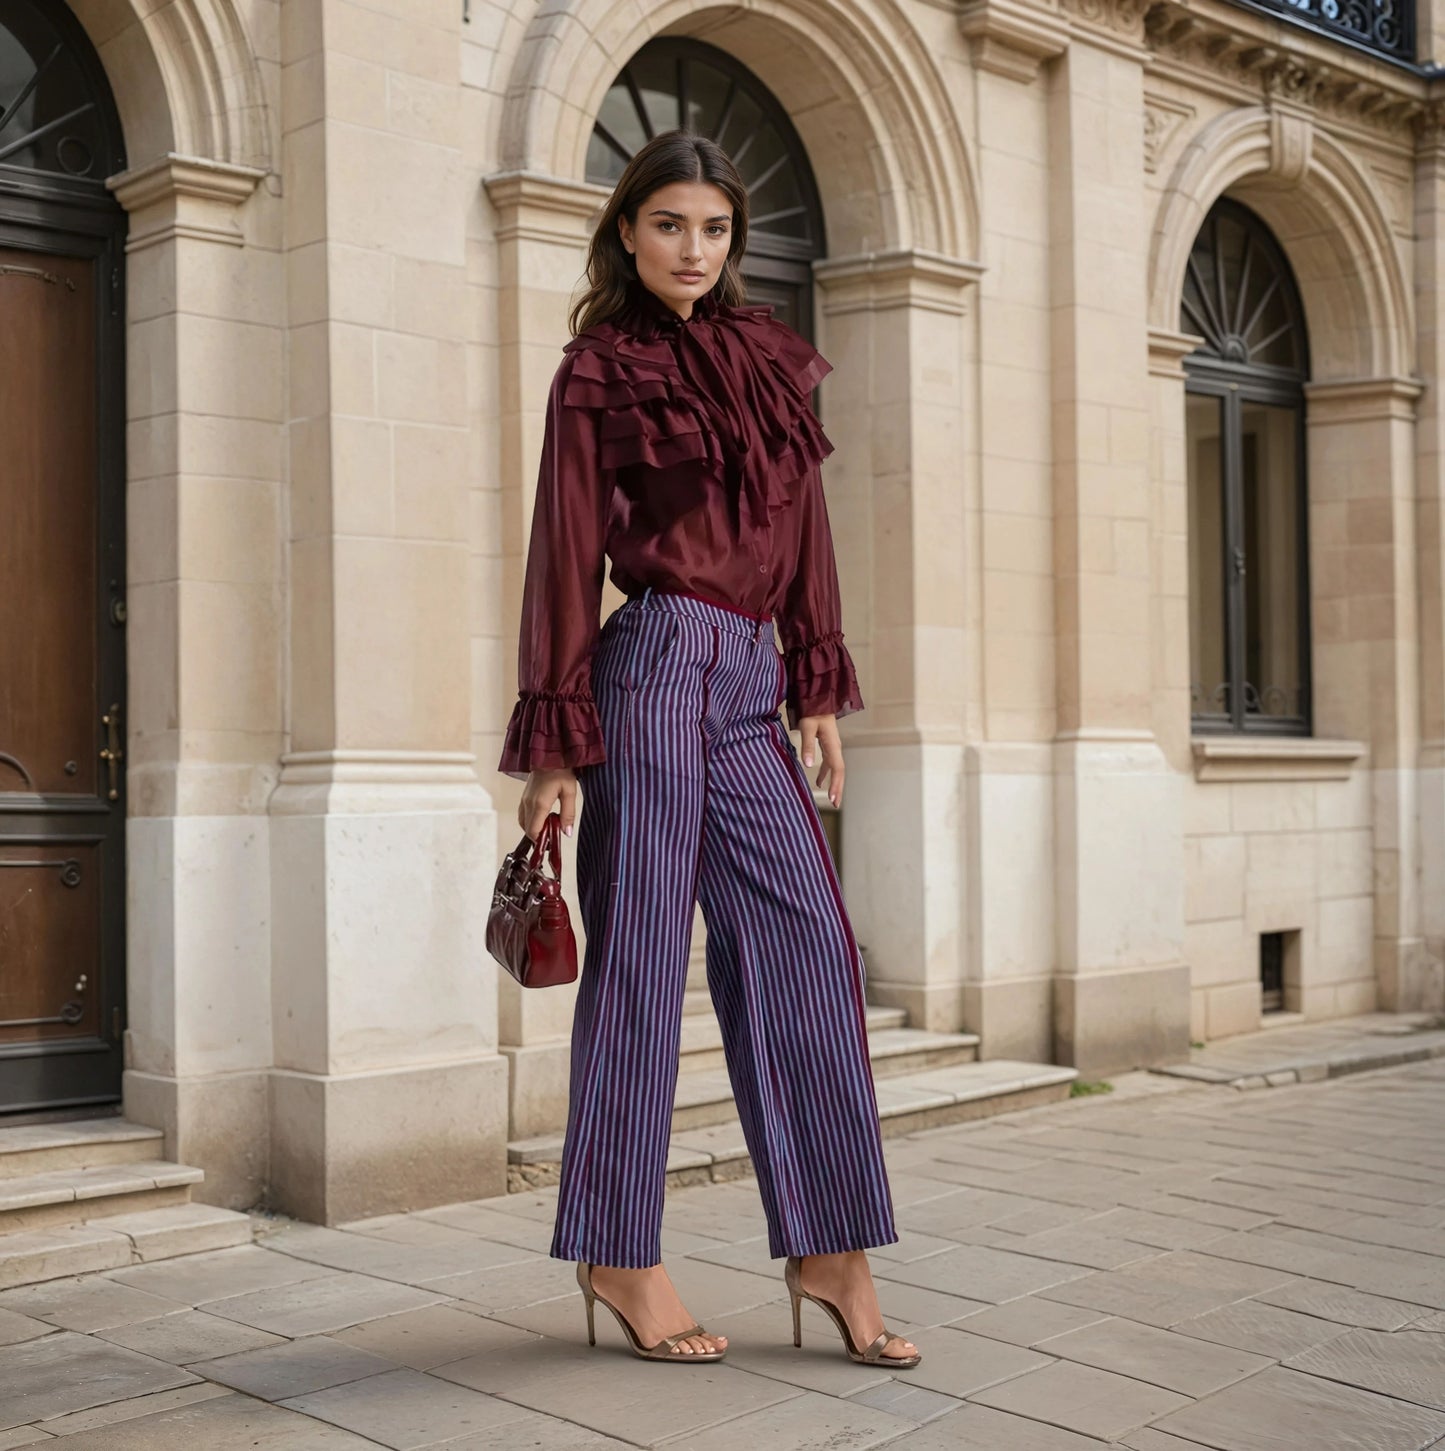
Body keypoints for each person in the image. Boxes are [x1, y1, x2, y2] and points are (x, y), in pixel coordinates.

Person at [498, 128, 920, 1370]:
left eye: (715, 228)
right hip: (655, 666)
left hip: (745, 678)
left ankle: (829, 1240)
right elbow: (563, 553)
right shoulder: (598, 368)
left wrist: (817, 686)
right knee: (637, 961)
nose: (694, 248)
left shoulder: (765, 356)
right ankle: (619, 1246)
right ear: (627, 230)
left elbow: (809, 529)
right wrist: (557, 736)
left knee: (808, 941)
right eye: (670, 224)